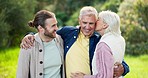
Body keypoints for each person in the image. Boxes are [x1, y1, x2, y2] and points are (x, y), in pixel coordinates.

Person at [20, 6, 129, 78]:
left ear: (96, 22)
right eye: (84, 22)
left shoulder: (99, 40)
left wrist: (123, 68)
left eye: (91, 23)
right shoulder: (68, 32)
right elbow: (47, 33)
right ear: (79, 21)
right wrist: (29, 36)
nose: (87, 27)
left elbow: (116, 59)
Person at [70, 10, 125, 78]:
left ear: (105, 25)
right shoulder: (119, 39)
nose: (96, 21)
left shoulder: (104, 45)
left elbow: (105, 76)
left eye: (98, 19)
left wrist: (83, 77)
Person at [17, 10, 65, 78]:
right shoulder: (28, 45)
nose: (56, 28)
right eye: (53, 26)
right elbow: (21, 74)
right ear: (40, 28)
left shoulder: (60, 40)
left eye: (56, 24)